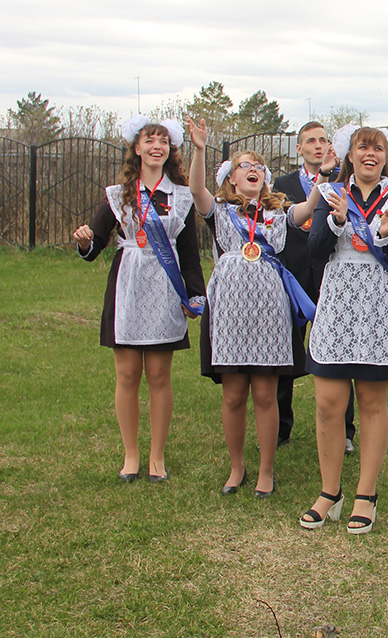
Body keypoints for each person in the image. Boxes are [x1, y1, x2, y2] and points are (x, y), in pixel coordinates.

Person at [187, 117, 322, 498]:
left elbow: (309, 206)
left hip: (268, 311)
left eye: (259, 168)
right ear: (230, 179)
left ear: (264, 179)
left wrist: (324, 176)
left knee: (265, 393)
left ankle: (266, 471)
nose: (253, 171)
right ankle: (236, 467)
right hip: (229, 309)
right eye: (244, 166)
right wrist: (199, 150)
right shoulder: (219, 211)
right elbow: (196, 189)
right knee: (233, 394)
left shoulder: (277, 215)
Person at [298, 125, 388, 535]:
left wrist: (387, 234)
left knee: (371, 402)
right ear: (349, 154)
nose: (370, 154)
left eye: (378, 148)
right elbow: (314, 252)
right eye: (363, 147)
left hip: (380, 308)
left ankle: (366, 494)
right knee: (328, 403)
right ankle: (329, 492)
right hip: (336, 305)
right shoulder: (332, 195)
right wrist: (333, 223)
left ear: (387, 156)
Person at [72, 115, 205, 484]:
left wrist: (194, 295)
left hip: (165, 286)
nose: (156, 146)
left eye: (163, 140)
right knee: (128, 374)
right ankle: (131, 455)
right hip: (128, 285)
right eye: (150, 139)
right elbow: (95, 242)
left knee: (160, 376)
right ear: (137, 147)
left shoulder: (180, 197)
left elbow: (189, 252)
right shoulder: (118, 195)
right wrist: (85, 241)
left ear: (169, 150)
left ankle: (156, 457)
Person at [272, 121, 357, 456]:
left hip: (328, 274)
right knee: (286, 350)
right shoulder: (282, 184)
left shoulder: (341, 182)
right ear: (299, 148)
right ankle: (280, 425)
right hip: (292, 275)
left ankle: (345, 430)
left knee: (339, 352)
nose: (318, 145)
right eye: (311, 141)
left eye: (323, 140)